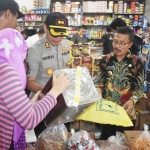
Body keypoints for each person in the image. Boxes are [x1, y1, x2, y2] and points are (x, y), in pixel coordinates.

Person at [0, 28, 71, 150]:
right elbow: (29, 120)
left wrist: (33, 101)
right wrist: (55, 91)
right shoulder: (6, 70)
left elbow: (14, 107)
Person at [26, 12, 71, 136]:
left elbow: (66, 68)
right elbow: (30, 82)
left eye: (61, 33)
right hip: (42, 103)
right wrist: (50, 93)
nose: (58, 38)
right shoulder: (35, 50)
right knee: (43, 140)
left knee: (64, 138)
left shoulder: (66, 44)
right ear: (45, 28)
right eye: (54, 33)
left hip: (63, 104)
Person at [97, 26, 144, 140]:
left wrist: (133, 100)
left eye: (122, 43)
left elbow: (139, 87)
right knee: (105, 141)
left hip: (126, 112)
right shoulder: (105, 60)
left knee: (124, 143)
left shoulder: (136, 62)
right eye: (115, 41)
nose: (117, 46)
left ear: (130, 44)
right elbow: (99, 83)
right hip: (107, 112)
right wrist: (98, 91)